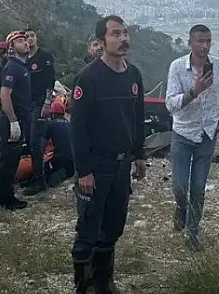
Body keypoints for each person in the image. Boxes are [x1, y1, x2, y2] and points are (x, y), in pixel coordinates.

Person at [69, 15, 146, 294]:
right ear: (102, 43)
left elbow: (138, 118)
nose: (123, 38)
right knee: (88, 228)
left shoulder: (133, 75)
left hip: (121, 164)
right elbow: (77, 128)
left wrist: (139, 155)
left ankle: (104, 282)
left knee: (113, 226)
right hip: (96, 165)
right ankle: (85, 286)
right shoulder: (89, 77)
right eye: (115, 34)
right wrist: (84, 171)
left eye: (125, 33)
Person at [164, 23, 219, 248]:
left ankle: (192, 232)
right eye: (200, 41)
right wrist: (193, 92)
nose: (205, 46)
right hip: (182, 133)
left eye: (208, 41)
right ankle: (181, 208)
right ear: (190, 43)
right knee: (179, 186)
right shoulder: (177, 68)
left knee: (198, 186)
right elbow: (170, 104)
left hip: (208, 134)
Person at [0, 30, 33, 210]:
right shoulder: (12, 67)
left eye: (25, 40)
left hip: (22, 119)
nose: (25, 43)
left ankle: (8, 194)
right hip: (12, 121)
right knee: (8, 161)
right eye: (19, 41)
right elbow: (5, 95)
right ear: (11, 47)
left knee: (14, 158)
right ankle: (5, 199)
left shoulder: (22, 67)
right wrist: (13, 121)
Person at [24, 28, 57, 196]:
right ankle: (35, 175)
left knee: (35, 142)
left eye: (32, 36)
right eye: (26, 37)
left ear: (36, 38)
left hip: (40, 104)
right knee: (30, 143)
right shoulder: (24, 61)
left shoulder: (44, 57)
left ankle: (40, 181)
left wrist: (47, 102)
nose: (29, 39)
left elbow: (50, 80)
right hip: (27, 105)